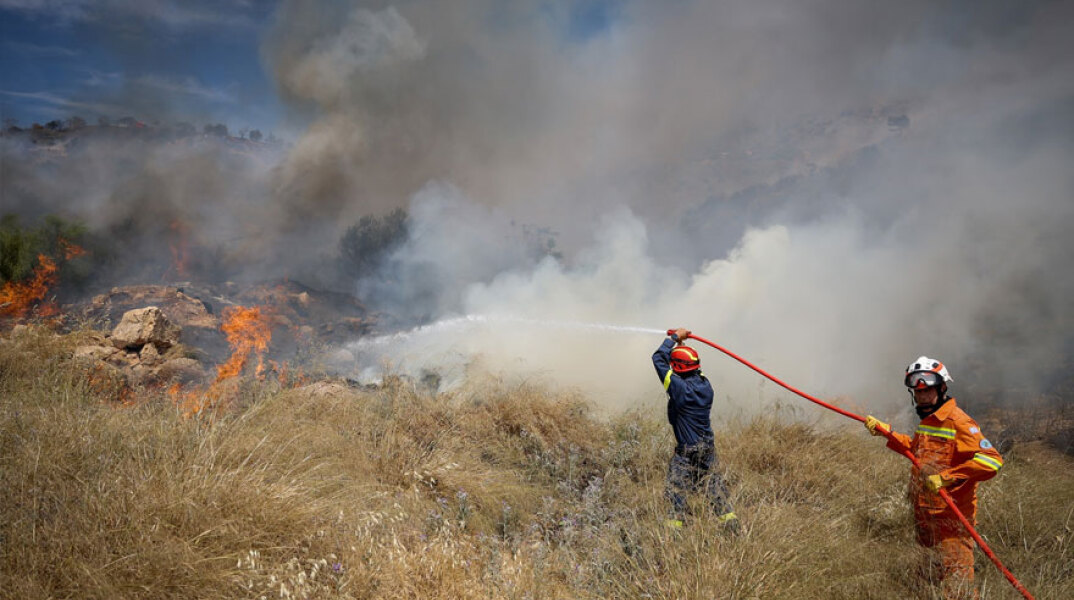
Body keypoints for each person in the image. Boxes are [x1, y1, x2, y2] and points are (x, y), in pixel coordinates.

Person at [864, 356, 1003, 599]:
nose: (923, 396)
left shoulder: (958, 421)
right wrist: (887, 433)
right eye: (918, 392)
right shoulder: (929, 422)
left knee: (957, 588)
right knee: (927, 580)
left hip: (952, 523)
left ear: (942, 388)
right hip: (925, 517)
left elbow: (992, 461)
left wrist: (947, 477)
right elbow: (915, 450)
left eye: (928, 390)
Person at [652, 327, 738, 533]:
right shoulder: (706, 385)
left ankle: (673, 534)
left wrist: (673, 339)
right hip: (708, 449)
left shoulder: (679, 389)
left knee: (676, 491)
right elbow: (691, 368)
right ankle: (732, 528)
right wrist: (681, 346)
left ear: (677, 369)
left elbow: (658, 359)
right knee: (715, 489)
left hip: (687, 453)